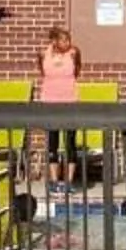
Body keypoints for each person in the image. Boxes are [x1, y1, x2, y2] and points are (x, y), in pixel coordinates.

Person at [37, 26, 82, 186]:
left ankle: (69, 181)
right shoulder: (44, 54)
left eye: (68, 40)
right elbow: (43, 72)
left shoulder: (73, 53)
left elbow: (76, 71)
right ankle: (55, 182)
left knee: (70, 142)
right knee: (52, 141)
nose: (67, 43)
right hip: (49, 102)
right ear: (54, 41)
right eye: (63, 40)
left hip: (70, 101)